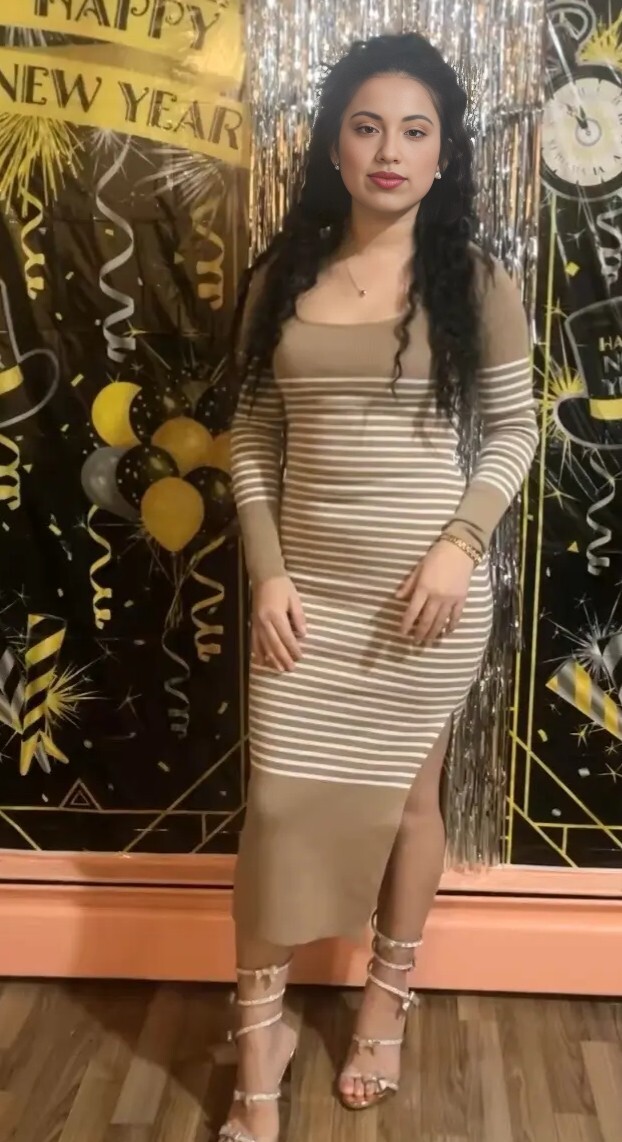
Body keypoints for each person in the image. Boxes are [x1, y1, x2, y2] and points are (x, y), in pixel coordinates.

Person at [222, 31, 538, 1142]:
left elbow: (516, 430)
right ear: (335, 145)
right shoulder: (284, 275)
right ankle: (257, 1051)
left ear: (444, 154)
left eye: (414, 131)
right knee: (274, 811)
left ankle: (384, 1005)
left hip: (425, 602)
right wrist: (267, 573)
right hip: (305, 601)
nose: (389, 151)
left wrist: (459, 545)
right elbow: (250, 437)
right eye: (367, 127)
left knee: (411, 805)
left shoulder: (478, 282)